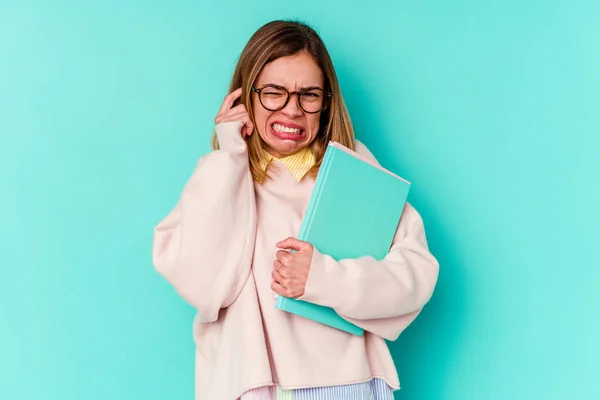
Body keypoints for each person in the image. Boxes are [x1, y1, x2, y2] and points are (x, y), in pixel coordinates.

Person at [152, 19, 439, 400]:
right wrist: (228, 155)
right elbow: (202, 285)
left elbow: (416, 274)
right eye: (274, 92)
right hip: (254, 385)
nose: (292, 110)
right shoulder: (221, 176)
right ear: (245, 95)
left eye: (309, 95)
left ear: (326, 102)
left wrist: (325, 278)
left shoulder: (353, 168)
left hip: (349, 385)